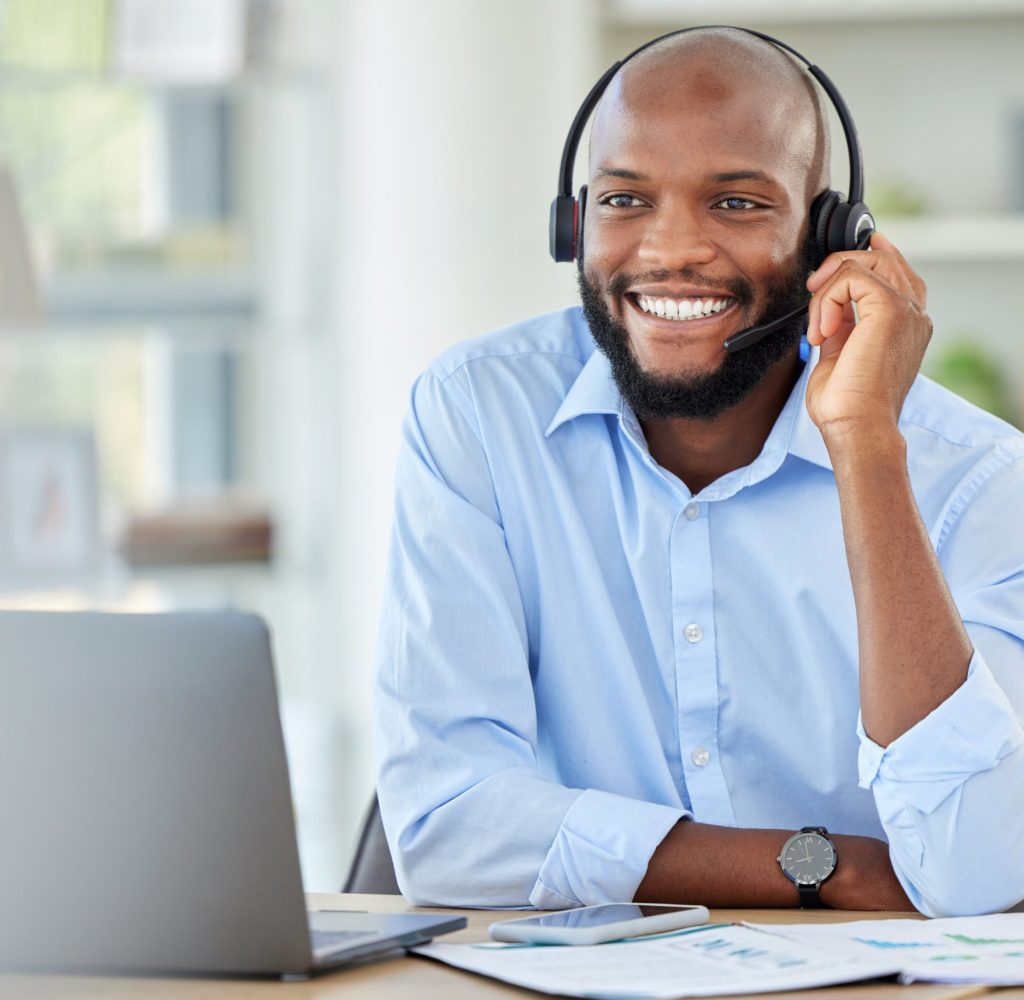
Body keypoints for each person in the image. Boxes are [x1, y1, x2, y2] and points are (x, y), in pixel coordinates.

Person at [373, 27, 1024, 917]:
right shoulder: (479, 416)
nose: (670, 249)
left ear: (832, 237)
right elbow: (445, 824)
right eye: (624, 199)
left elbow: (977, 872)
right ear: (575, 223)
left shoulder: (980, 477)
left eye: (737, 204)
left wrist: (867, 447)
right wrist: (820, 867)